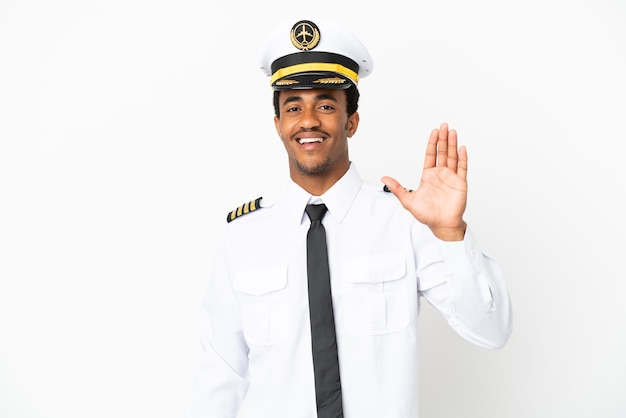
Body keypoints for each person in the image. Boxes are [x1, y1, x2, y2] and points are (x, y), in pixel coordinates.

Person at [189, 17, 512, 418]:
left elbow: (491, 329)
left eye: (325, 104)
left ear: (351, 121)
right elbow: (221, 378)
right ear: (278, 125)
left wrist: (450, 233)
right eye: (293, 107)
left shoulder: (404, 221)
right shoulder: (243, 237)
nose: (308, 120)